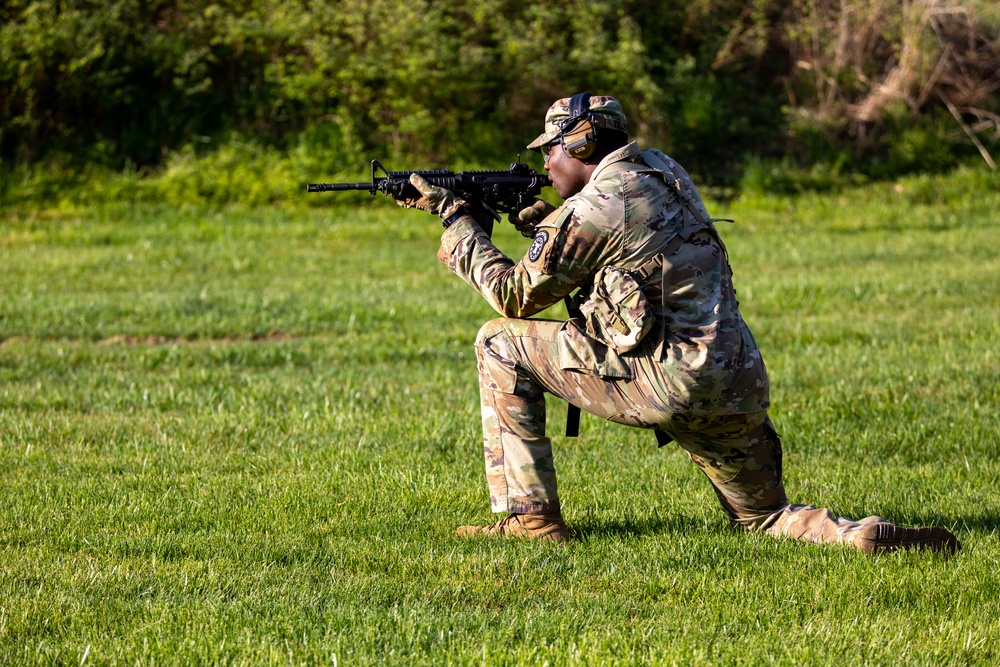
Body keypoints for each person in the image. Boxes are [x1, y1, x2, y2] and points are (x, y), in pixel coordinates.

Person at [395, 93, 959, 554]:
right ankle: (854, 535)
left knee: (498, 342)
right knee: (763, 516)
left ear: (582, 142)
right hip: (733, 379)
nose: (546, 163)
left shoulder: (597, 206)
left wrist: (458, 222)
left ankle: (530, 520)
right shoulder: (664, 170)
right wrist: (547, 222)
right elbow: (622, 245)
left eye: (553, 150)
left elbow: (513, 296)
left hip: (669, 383)